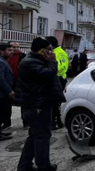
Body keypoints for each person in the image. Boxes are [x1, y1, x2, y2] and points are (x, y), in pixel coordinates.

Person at [15, 37, 65, 171]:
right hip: (36, 105)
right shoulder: (30, 62)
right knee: (42, 136)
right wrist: (53, 61)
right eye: (48, 49)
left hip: (41, 103)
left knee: (35, 135)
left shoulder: (37, 60)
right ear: (41, 50)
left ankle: (24, 166)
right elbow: (48, 74)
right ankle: (43, 166)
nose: (51, 52)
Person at [45, 36, 69, 130]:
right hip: (59, 78)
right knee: (55, 102)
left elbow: (59, 66)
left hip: (57, 78)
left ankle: (54, 123)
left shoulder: (57, 53)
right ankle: (58, 122)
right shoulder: (59, 52)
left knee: (54, 102)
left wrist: (49, 70)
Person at [6, 41, 27, 129]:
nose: (16, 49)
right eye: (13, 47)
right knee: (7, 104)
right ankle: (7, 123)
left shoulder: (23, 56)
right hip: (9, 83)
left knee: (24, 103)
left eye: (17, 47)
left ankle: (26, 122)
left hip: (20, 83)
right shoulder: (6, 57)